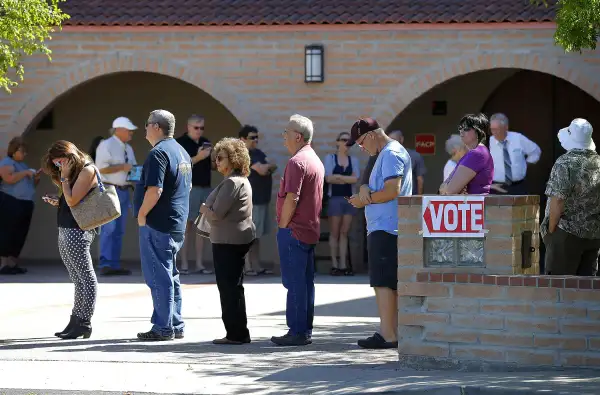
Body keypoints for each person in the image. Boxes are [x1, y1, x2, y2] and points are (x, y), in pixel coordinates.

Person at [346, 118, 412, 349]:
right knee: (386, 282)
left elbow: (392, 190)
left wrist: (365, 200)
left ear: (372, 134)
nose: (362, 148)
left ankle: (388, 334)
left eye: (362, 142)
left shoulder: (391, 153)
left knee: (383, 282)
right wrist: (365, 190)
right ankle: (391, 331)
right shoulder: (384, 153)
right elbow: (374, 184)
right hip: (384, 225)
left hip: (387, 226)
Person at [134, 109, 192, 341]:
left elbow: (155, 190)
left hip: (158, 223)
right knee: (170, 274)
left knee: (159, 275)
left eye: (147, 124)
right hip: (176, 222)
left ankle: (162, 327)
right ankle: (175, 323)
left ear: (157, 127)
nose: (145, 128)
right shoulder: (182, 151)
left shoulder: (158, 153)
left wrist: (142, 214)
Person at [271, 114, 324, 347]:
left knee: (294, 283)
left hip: (294, 230)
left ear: (298, 136)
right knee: (304, 283)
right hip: (309, 230)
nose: (284, 137)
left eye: (286, 133)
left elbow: (292, 197)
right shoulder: (315, 159)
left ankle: (296, 331)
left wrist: (283, 227)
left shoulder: (296, 162)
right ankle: (304, 330)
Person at [200, 137, 256, 345]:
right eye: (216, 158)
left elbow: (216, 214)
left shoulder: (232, 182)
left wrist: (204, 208)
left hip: (228, 241)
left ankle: (236, 334)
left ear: (233, 159)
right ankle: (238, 332)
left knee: (229, 288)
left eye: (221, 158)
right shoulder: (240, 180)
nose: (217, 162)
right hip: (233, 239)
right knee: (233, 286)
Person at [42, 140, 100, 339]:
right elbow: (70, 201)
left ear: (70, 157)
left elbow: (74, 200)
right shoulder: (73, 172)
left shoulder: (86, 170)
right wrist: (58, 201)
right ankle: (75, 319)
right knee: (77, 279)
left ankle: (84, 322)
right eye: (56, 164)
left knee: (86, 278)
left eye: (60, 162)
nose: (59, 167)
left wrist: (65, 178)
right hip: (67, 226)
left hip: (79, 229)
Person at [542, 119, 600, 276]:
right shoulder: (598, 162)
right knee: (586, 289)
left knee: (558, 285)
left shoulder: (565, 162)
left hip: (567, 233)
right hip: (594, 234)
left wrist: (551, 230)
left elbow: (558, 200)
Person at [95, 117, 138, 276]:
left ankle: (114, 264)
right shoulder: (106, 145)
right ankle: (106, 263)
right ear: (118, 129)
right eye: (128, 130)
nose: (131, 133)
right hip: (109, 190)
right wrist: (122, 167)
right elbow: (101, 169)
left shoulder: (128, 148)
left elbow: (132, 169)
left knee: (119, 230)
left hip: (125, 190)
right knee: (109, 228)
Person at [176, 115, 214, 275]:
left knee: (202, 227)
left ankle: (199, 264)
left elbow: (212, 166)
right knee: (186, 226)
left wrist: (211, 157)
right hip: (189, 189)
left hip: (206, 188)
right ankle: (183, 263)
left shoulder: (205, 142)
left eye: (202, 128)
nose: (199, 131)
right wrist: (199, 157)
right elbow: (180, 167)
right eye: (196, 128)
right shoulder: (180, 143)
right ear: (188, 127)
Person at [239, 125, 276, 276]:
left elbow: (272, 166)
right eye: (252, 137)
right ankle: (247, 266)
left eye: (256, 137)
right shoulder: (244, 155)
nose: (255, 140)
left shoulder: (258, 153)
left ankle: (257, 265)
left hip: (262, 199)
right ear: (243, 139)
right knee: (248, 235)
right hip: (250, 201)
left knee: (257, 235)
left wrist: (265, 167)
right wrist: (264, 167)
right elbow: (262, 170)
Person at [0, 137, 40, 275]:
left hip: (26, 203)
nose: (24, 154)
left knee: (20, 234)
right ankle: (3, 264)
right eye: (22, 151)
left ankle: (12, 263)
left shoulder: (23, 165)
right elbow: (8, 179)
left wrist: (35, 178)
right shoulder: (7, 162)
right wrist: (25, 173)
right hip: (11, 202)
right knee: (8, 232)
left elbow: (31, 185)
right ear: (14, 151)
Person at [324, 131, 360, 276]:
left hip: (349, 198)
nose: (346, 143)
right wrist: (345, 177)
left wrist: (338, 177)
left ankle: (344, 264)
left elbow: (355, 179)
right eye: (344, 140)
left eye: (349, 141)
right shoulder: (330, 158)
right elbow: (328, 178)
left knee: (345, 232)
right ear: (337, 142)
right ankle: (334, 264)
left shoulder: (354, 160)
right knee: (335, 232)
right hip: (335, 198)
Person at [439, 114, 494, 195]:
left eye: (466, 128)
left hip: (473, 205)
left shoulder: (476, 154)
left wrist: (447, 187)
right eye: (460, 128)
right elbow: (442, 189)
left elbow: (449, 191)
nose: (461, 131)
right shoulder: (476, 152)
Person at [489, 113, 541, 195]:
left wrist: (526, 164)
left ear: (506, 127)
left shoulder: (518, 138)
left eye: (497, 129)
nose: (494, 133)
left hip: (518, 187)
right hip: (496, 187)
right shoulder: (488, 142)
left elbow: (535, 151)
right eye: (492, 129)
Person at [388, 130, 426, 195]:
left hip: (410, 197)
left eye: (394, 140)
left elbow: (420, 179)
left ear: (401, 139)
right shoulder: (386, 158)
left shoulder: (414, 156)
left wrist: (418, 199)